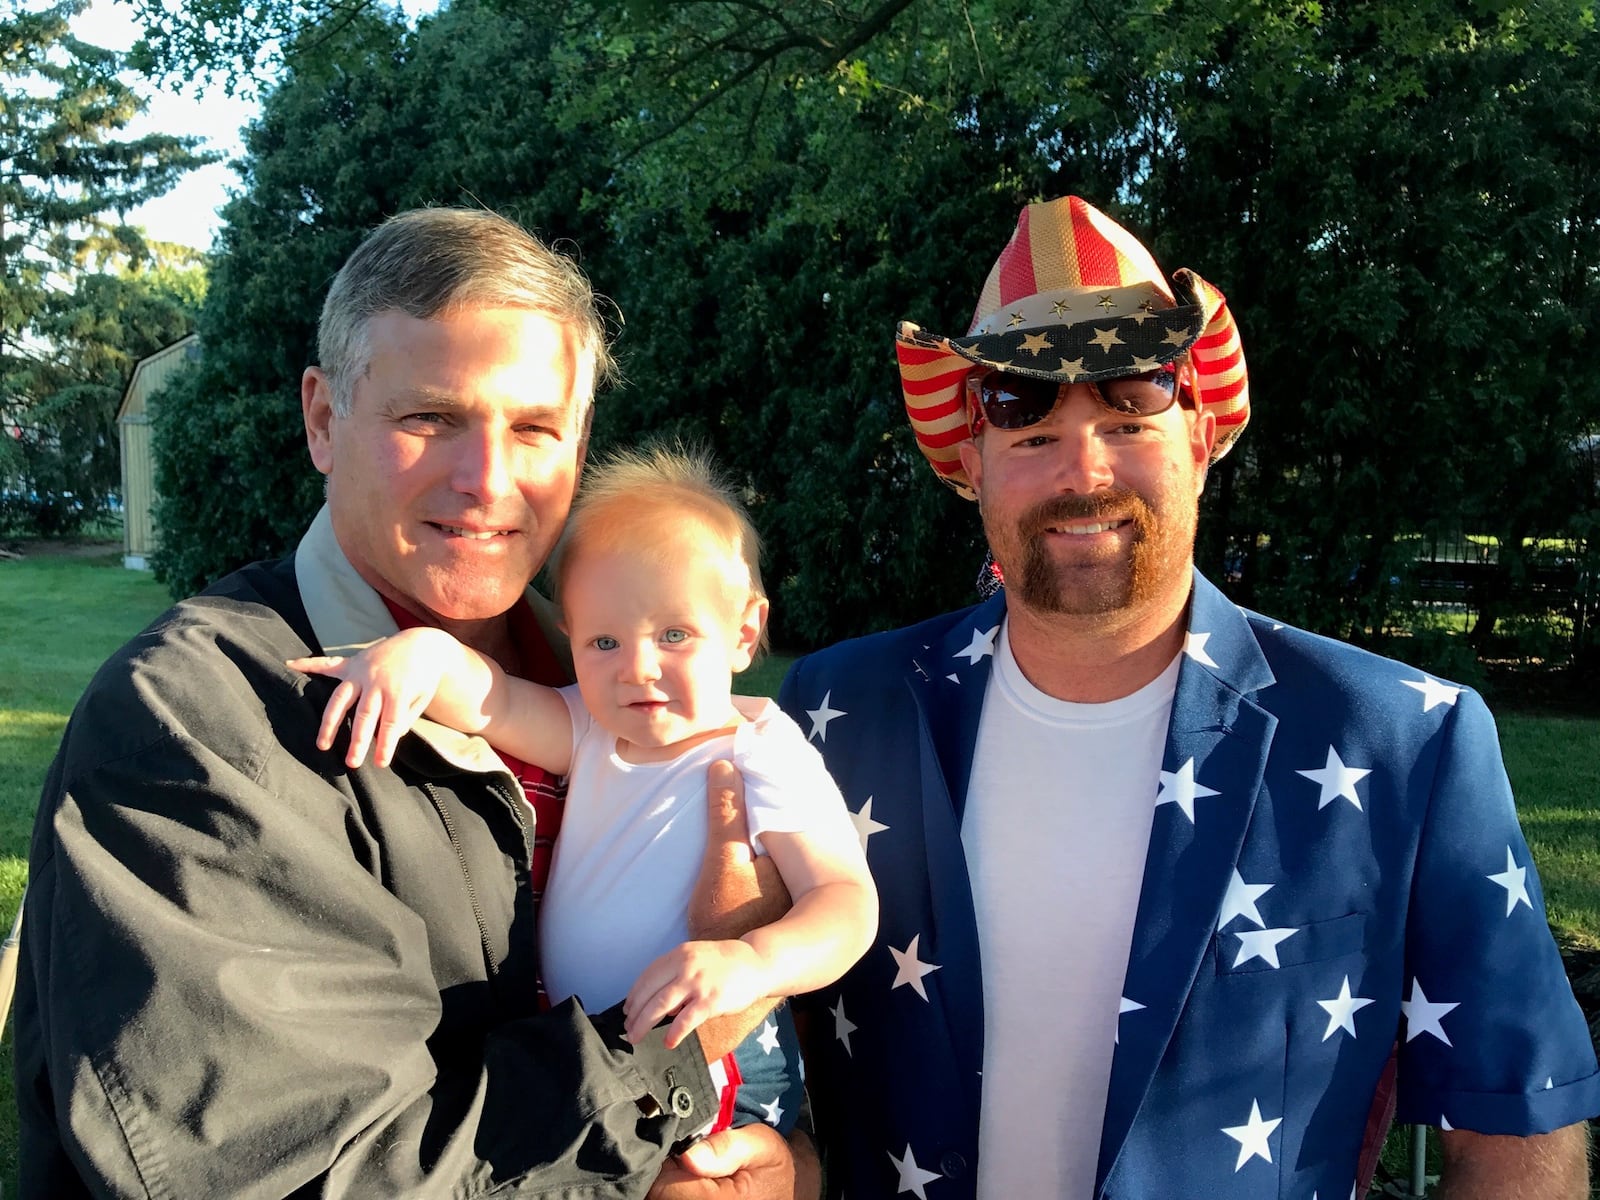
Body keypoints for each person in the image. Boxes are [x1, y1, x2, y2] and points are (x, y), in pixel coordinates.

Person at [778, 195, 1599, 1199]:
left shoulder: (1400, 740)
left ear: (1202, 437)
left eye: (1129, 412)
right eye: (1026, 425)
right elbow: (776, 1052)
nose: (1083, 470)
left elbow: (1514, 1129)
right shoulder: (835, 713)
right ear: (967, 464)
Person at [16, 207, 813, 1198]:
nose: (485, 482)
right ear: (320, 418)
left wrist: (783, 1161)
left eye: (533, 429)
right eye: (428, 418)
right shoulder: (197, 726)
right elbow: (311, 1172)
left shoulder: (619, 694)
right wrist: (679, 1054)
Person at [287, 445, 876, 1136]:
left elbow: (846, 904)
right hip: (593, 1056)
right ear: (570, 635)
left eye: (675, 634)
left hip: (716, 1059)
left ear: (744, 633)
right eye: (604, 643)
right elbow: (496, 701)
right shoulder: (589, 726)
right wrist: (427, 654)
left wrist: (753, 962)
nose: (637, 669)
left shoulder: (761, 754)